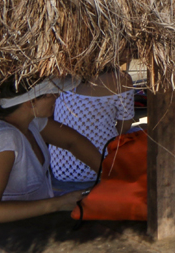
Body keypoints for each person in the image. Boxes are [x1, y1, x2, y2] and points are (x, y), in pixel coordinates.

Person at [0, 75, 102, 253]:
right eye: (51, 94)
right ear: (30, 101)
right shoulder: (2, 138)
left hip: (22, 236)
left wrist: (110, 175)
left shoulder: (29, 122)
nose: (57, 97)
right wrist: (58, 203)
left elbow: (73, 142)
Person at [49, 60, 136, 195]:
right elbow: (125, 124)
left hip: (62, 166)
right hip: (102, 165)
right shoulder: (121, 79)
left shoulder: (61, 74)